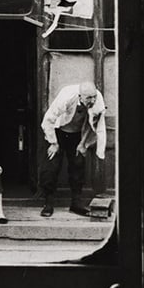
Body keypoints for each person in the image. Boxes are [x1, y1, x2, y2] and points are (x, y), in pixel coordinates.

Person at [37, 81, 107, 217]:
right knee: (51, 167)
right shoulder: (67, 96)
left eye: (93, 97)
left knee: (78, 166)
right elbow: (48, 119)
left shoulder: (97, 99)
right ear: (80, 96)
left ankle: (76, 204)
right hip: (58, 132)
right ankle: (48, 203)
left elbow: (92, 123)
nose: (92, 100)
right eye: (88, 98)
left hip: (77, 135)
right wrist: (53, 143)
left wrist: (82, 144)